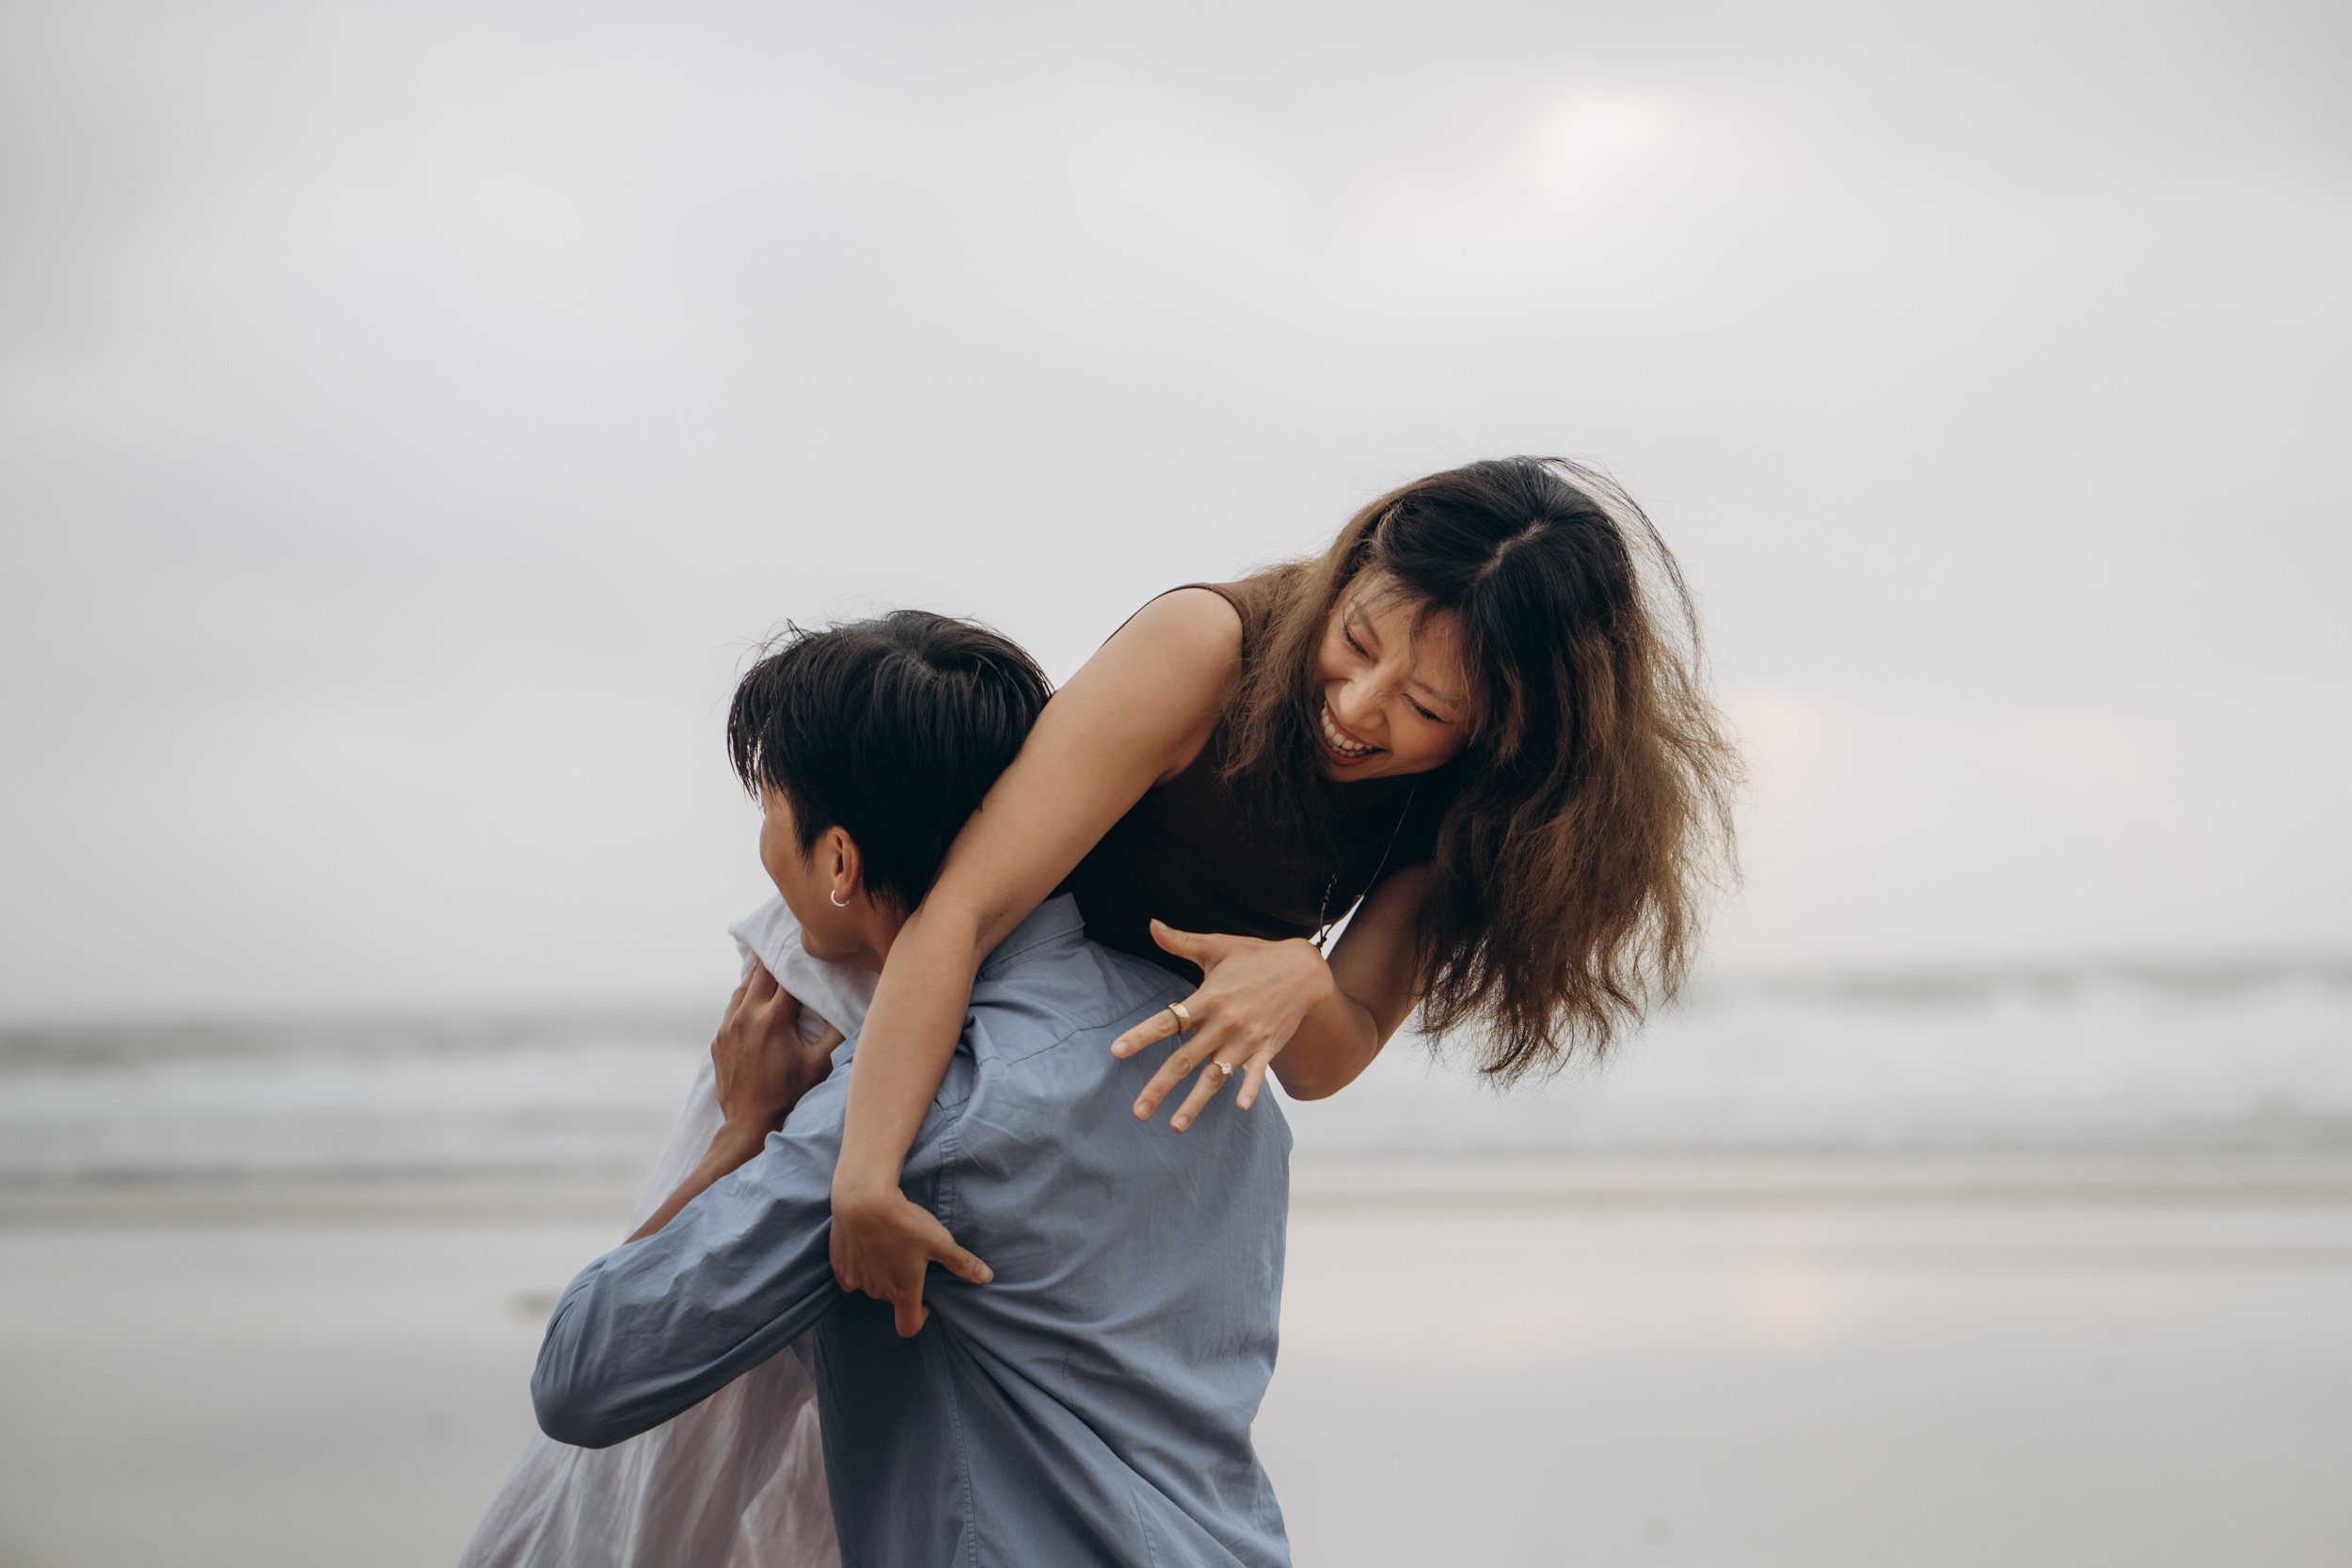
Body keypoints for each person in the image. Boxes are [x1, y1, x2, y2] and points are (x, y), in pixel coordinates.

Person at [826, 455, 1740, 1336]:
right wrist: (864, 1173)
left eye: (1427, 708)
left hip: (1101, 1073)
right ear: (1348, 570)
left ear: (1507, 734)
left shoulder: (1471, 813)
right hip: (913, 1001)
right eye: (1355, 640)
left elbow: (1321, 1062)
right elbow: (963, 907)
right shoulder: (1206, 645)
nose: (1357, 705)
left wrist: (1301, 979)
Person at [522, 611, 1296, 1568]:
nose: (763, 845)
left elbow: (583, 1373)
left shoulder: (902, 1119)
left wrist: (744, 1133)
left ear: (841, 859)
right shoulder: (1209, 1046)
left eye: (769, 810)